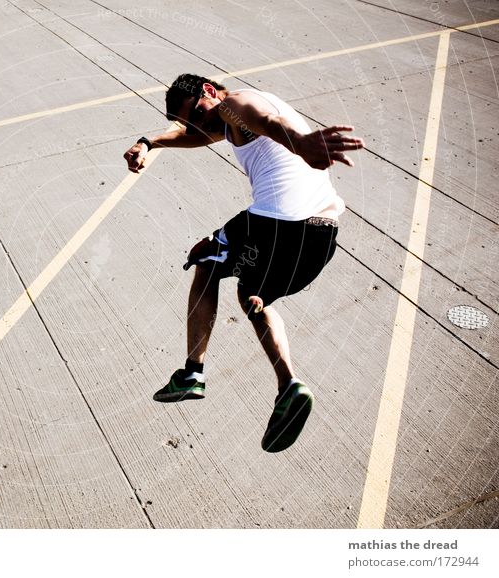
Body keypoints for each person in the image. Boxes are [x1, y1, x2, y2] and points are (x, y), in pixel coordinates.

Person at [123, 73, 364, 452]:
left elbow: (268, 122)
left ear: (208, 91)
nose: (201, 123)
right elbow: (199, 136)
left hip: (279, 224)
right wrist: (149, 141)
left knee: (205, 259)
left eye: (200, 113)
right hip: (319, 238)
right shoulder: (221, 121)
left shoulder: (235, 105)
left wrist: (301, 143)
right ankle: (289, 386)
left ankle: (191, 373)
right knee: (252, 295)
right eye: (194, 121)